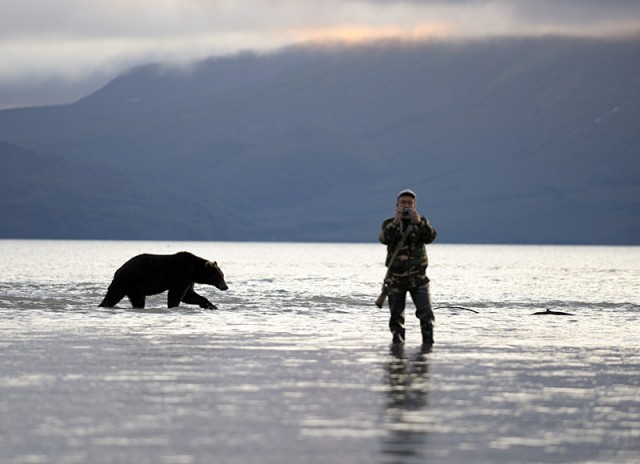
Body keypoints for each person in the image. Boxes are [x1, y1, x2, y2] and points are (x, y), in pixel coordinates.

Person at [378, 189, 437, 345]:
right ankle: (397, 350)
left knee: (426, 315)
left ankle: (428, 347)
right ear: (397, 205)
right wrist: (396, 223)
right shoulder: (389, 223)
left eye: (409, 203)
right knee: (396, 317)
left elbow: (430, 237)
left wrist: (418, 223)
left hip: (419, 279)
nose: (406, 206)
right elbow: (383, 238)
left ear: (415, 206)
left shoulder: (422, 222)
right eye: (403, 203)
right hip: (396, 279)